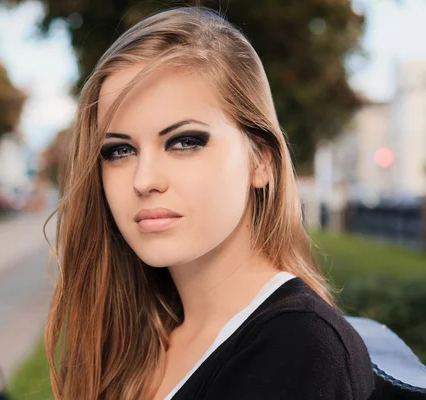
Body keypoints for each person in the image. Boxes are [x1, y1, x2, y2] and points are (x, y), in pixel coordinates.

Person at [43, 6, 376, 400]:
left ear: (260, 161)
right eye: (118, 151)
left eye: (184, 142)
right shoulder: (141, 338)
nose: (144, 180)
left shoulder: (298, 352)